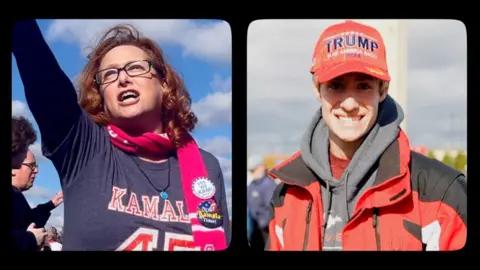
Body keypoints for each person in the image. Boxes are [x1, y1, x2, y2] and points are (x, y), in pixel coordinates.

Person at [12, 20, 230, 251]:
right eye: (109, 74)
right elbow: (36, 61)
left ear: (163, 83)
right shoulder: (83, 147)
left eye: (136, 67)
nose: (122, 78)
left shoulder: (207, 166)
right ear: (101, 95)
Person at [265, 20, 467, 251]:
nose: (350, 103)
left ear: (382, 90)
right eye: (336, 85)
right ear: (317, 89)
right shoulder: (287, 193)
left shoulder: (441, 193)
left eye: (363, 86)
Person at [11, 116, 64, 251]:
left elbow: (27, 221)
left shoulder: (16, 195)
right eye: (31, 165)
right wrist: (29, 238)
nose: (36, 171)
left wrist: (52, 203)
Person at [247, 155, 277, 250]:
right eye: (250, 170)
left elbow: (272, 207)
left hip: (266, 228)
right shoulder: (252, 185)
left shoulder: (268, 185)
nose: (251, 173)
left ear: (261, 167)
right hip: (256, 227)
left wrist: (265, 224)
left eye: (253, 170)